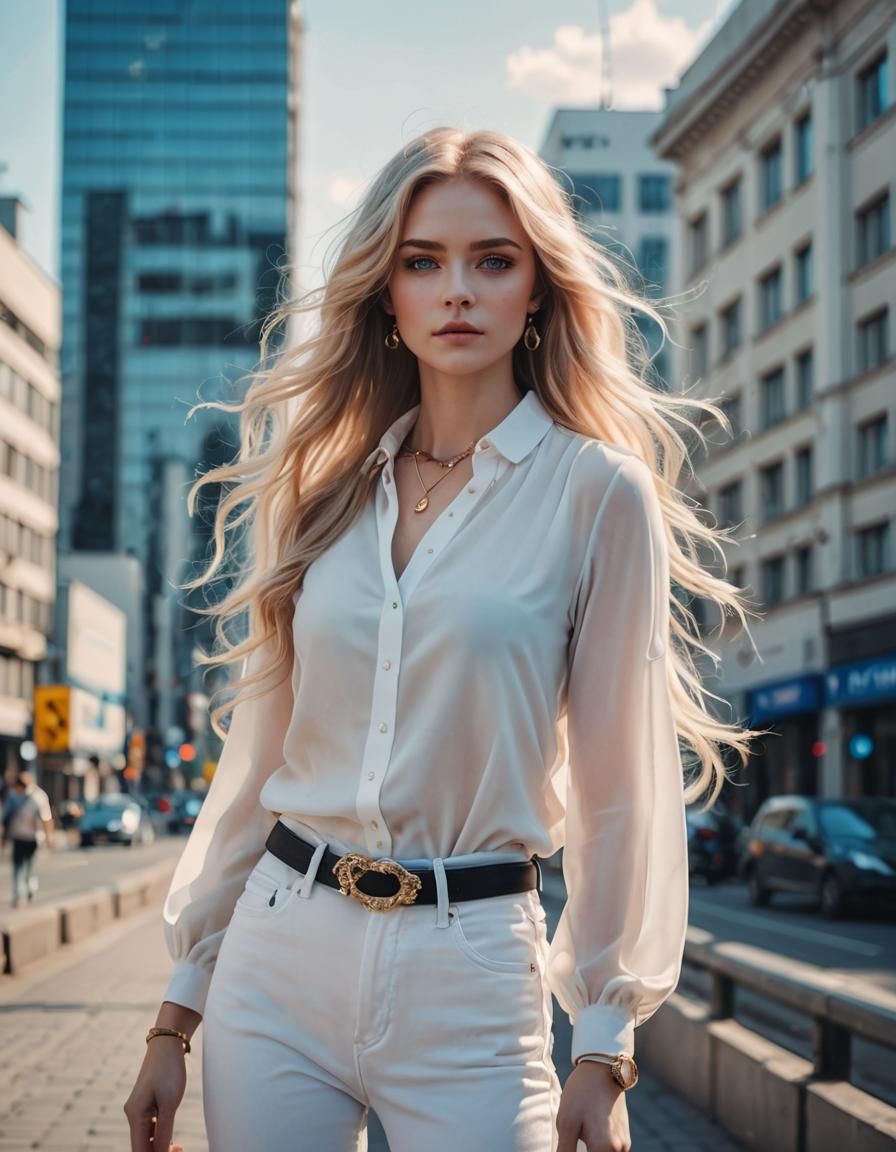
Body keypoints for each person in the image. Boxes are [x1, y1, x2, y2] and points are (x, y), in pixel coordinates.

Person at [124, 127, 763, 1152]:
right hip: (278, 959)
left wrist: (602, 1042)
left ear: (537, 290)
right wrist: (177, 1006)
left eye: (491, 261)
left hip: (468, 978)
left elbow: (617, 790)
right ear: (386, 293)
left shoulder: (597, 494)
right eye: (423, 262)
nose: (456, 291)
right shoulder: (320, 494)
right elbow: (257, 766)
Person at [2, 771, 55, 907]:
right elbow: (6, 818)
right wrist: (4, 837)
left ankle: (29, 890)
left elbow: (46, 819)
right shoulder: (13, 796)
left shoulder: (38, 797)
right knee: (18, 866)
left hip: (33, 838)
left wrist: (49, 836)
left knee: (29, 866)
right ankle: (18, 894)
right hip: (18, 836)